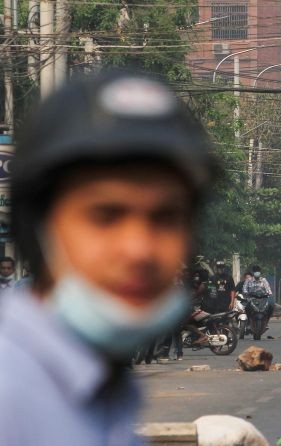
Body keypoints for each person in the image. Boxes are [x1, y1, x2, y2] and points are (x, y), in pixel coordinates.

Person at [0, 72, 216, 444]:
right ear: (37, 226)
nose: (139, 250)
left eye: (166, 217)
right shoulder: (11, 397)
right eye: (105, 215)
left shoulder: (104, 391)